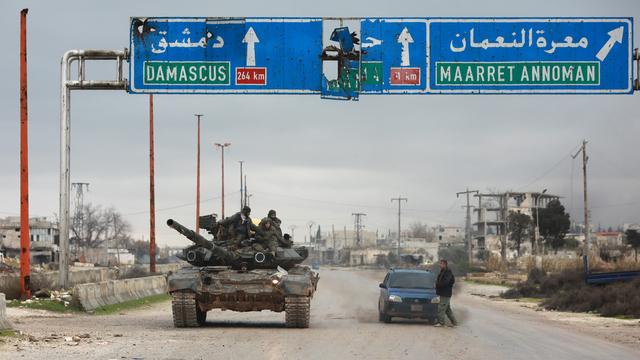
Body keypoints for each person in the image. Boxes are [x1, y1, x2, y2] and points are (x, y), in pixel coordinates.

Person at [435, 259, 457, 327]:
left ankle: (441, 323)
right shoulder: (443, 271)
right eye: (440, 263)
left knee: (441, 308)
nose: (440, 265)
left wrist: (438, 284)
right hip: (443, 292)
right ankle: (454, 322)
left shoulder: (447, 271)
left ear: (444, 264)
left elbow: (446, 282)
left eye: (441, 264)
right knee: (447, 309)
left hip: (446, 293)